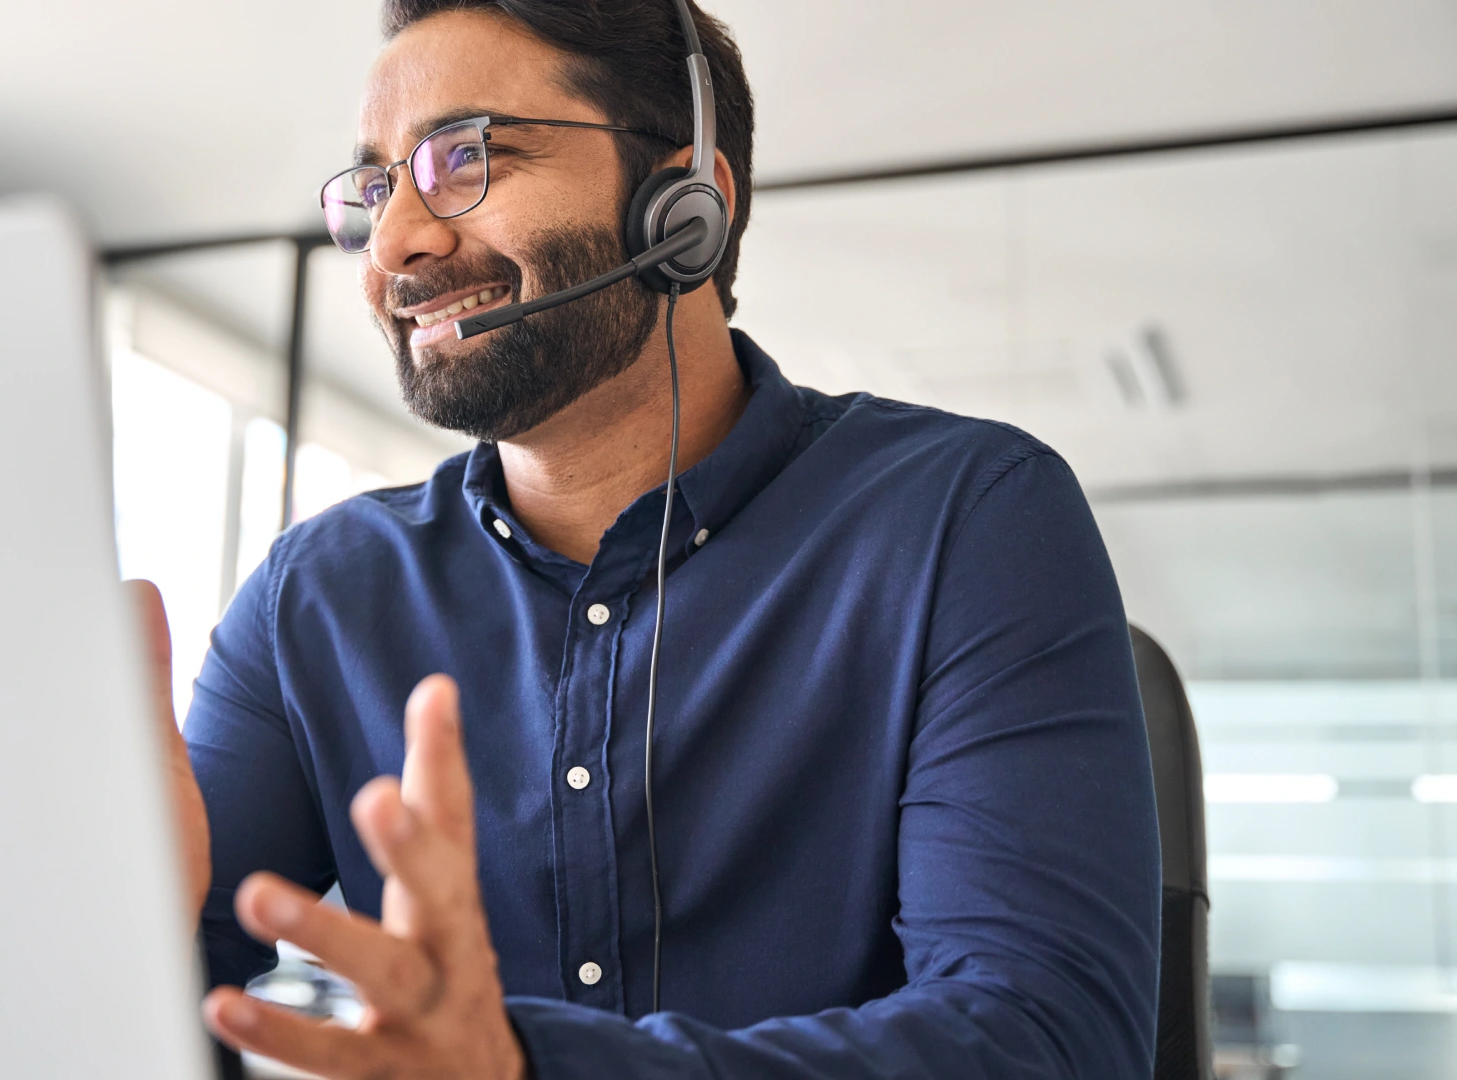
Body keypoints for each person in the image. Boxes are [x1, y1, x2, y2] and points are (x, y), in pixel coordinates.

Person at [140, 2, 1162, 1077]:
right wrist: (113, 925)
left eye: (468, 157)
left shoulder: (966, 517)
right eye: (378, 185)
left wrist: (525, 1065)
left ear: (687, 206)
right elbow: (139, 1013)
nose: (397, 240)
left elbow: (1051, 1039)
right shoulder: (316, 598)